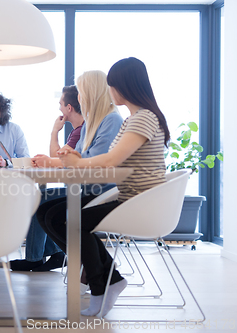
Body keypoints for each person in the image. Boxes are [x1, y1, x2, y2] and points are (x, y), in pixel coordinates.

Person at [40, 57, 169, 317]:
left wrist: (76, 160)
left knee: (72, 220)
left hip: (138, 202)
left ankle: (102, 284)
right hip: (130, 198)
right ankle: (108, 280)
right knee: (60, 216)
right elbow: (107, 160)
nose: (109, 91)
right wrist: (74, 160)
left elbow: (111, 160)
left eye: (112, 85)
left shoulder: (142, 119)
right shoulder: (137, 118)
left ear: (123, 86)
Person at [12, 73, 123, 273]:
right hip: (85, 188)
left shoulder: (111, 120)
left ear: (91, 93)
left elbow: (96, 158)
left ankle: (91, 264)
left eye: (81, 93)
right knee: (44, 205)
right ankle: (89, 262)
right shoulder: (91, 123)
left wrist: (69, 158)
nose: (79, 98)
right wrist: (69, 157)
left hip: (101, 191)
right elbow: (76, 157)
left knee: (47, 207)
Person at [9, 85, 83, 272]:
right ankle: (55, 253)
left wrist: (52, 141)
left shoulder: (81, 131)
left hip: (82, 189)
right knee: (41, 193)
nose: (59, 108)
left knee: (39, 196)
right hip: (77, 187)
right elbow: (58, 158)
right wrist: (51, 149)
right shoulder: (77, 131)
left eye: (60, 104)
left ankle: (35, 258)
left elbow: (59, 160)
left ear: (69, 108)